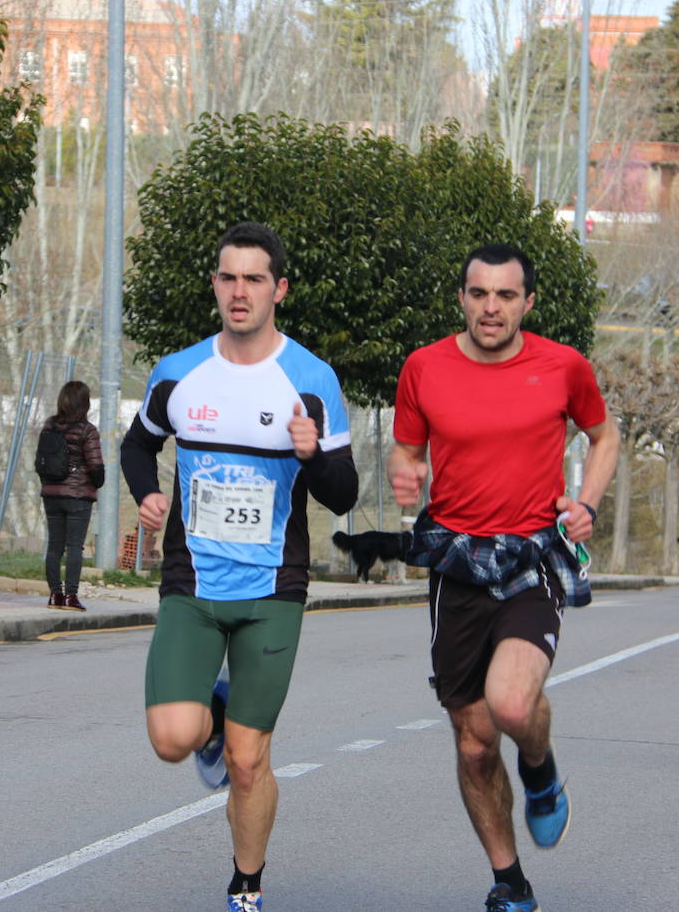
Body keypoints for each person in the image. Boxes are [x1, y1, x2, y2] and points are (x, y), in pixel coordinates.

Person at [120, 222, 357, 912]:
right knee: (172, 739)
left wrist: (313, 455)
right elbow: (138, 447)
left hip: (273, 592)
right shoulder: (179, 371)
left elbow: (341, 495)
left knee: (251, 763)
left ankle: (246, 887)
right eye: (228, 277)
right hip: (192, 584)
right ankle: (211, 720)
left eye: (254, 279)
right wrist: (149, 493)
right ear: (215, 285)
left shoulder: (311, 381)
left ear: (278, 289)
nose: (240, 291)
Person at [389, 243, 618, 912]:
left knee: (512, 705)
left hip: (531, 557)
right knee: (473, 739)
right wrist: (407, 475)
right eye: (479, 293)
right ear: (462, 298)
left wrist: (588, 503)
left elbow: (603, 437)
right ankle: (509, 881)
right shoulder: (423, 367)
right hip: (456, 566)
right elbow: (408, 449)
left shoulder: (562, 367)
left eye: (506, 295)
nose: (492, 307)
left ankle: (540, 771)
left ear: (528, 303)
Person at [40, 380, 105, 612]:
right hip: (78, 495)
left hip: (51, 493)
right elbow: (95, 465)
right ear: (85, 403)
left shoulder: (50, 425)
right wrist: (96, 483)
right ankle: (71, 596)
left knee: (54, 547)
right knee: (74, 547)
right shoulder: (88, 431)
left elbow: (42, 460)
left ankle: (55, 595)